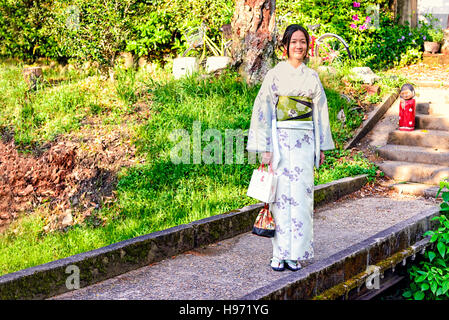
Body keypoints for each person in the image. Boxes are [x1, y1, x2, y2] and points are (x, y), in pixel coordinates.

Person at [246, 24, 335, 272]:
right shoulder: (275, 75)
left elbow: (320, 114)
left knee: (302, 199)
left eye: (303, 42)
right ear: (285, 46)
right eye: (294, 41)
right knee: (280, 198)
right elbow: (263, 109)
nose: (299, 46)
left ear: (308, 46)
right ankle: (279, 253)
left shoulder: (312, 77)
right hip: (280, 141)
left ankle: (296, 254)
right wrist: (265, 146)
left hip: (305, 141)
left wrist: (321, 146)